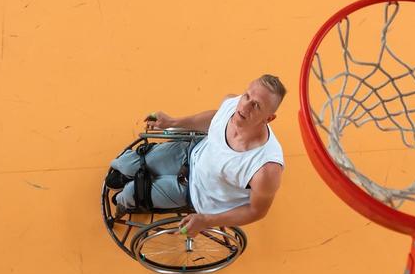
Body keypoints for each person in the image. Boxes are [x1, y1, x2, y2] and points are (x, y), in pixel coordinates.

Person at [109, 75, 286, 236]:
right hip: (192, 153)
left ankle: (127, 199)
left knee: (129, 193)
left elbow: (257, 211)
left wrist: (207, 221)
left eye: (256, 105)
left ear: (269, 118)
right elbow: (215, 119)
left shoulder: (265, 169)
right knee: (125, 163)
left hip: (199, 194)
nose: (245, 106)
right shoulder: (234, 103)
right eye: (247, 96)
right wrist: (173, 122)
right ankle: (129, 175)